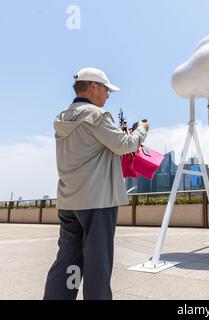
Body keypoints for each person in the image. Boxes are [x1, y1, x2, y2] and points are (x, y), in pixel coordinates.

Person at [43, 67, 149, 300]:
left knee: (67, 263)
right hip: (97, 202)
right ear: (93, 87)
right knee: (97, 266)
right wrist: (141, 131)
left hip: (69, 202)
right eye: (106, 89)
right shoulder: (97, 115)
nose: (108, 95)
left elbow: (91, 147)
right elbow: (125, 145)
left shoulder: (62, 117)